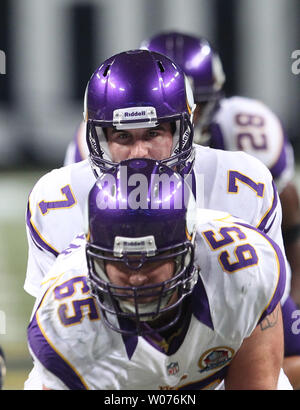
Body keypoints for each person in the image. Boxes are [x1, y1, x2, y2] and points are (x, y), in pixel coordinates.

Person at [25, 49, 287, 387]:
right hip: (110, 364)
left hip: (215, 355)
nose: (139, 153)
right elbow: (69, 329)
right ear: (97, 136)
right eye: (123, 136)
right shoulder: (55, 201)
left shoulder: (242, 183)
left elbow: (257, 304)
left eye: (153, 134)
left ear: (184, 128)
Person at [27, 159, 291, 390]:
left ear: (188, 252)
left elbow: (256, 382)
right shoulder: (65, 323)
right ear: (95, 260)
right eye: (123, 262)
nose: (138, 277)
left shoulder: (243, 271)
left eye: (152, 261)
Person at [140, 31, 300, 389]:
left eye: (200, 107)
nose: (189, 124)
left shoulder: (247, 136)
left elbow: (287, 198)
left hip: (236, 271)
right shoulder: (101, 147)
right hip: (140, 279)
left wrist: (294, 282)